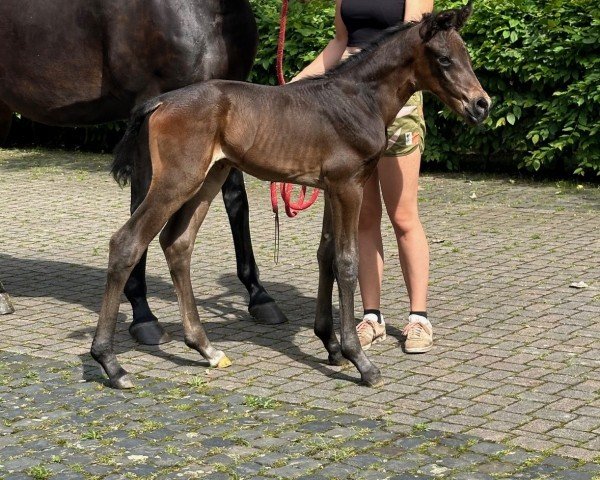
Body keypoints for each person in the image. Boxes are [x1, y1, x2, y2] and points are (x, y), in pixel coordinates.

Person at [292, 0, 434, 353]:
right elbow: (339, 44)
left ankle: (419, 318)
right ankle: (372, 317)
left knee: (403, 216)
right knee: (364, 219)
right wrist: (292, 88)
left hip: (396, 104)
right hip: (348, 109)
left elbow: (409, 44)